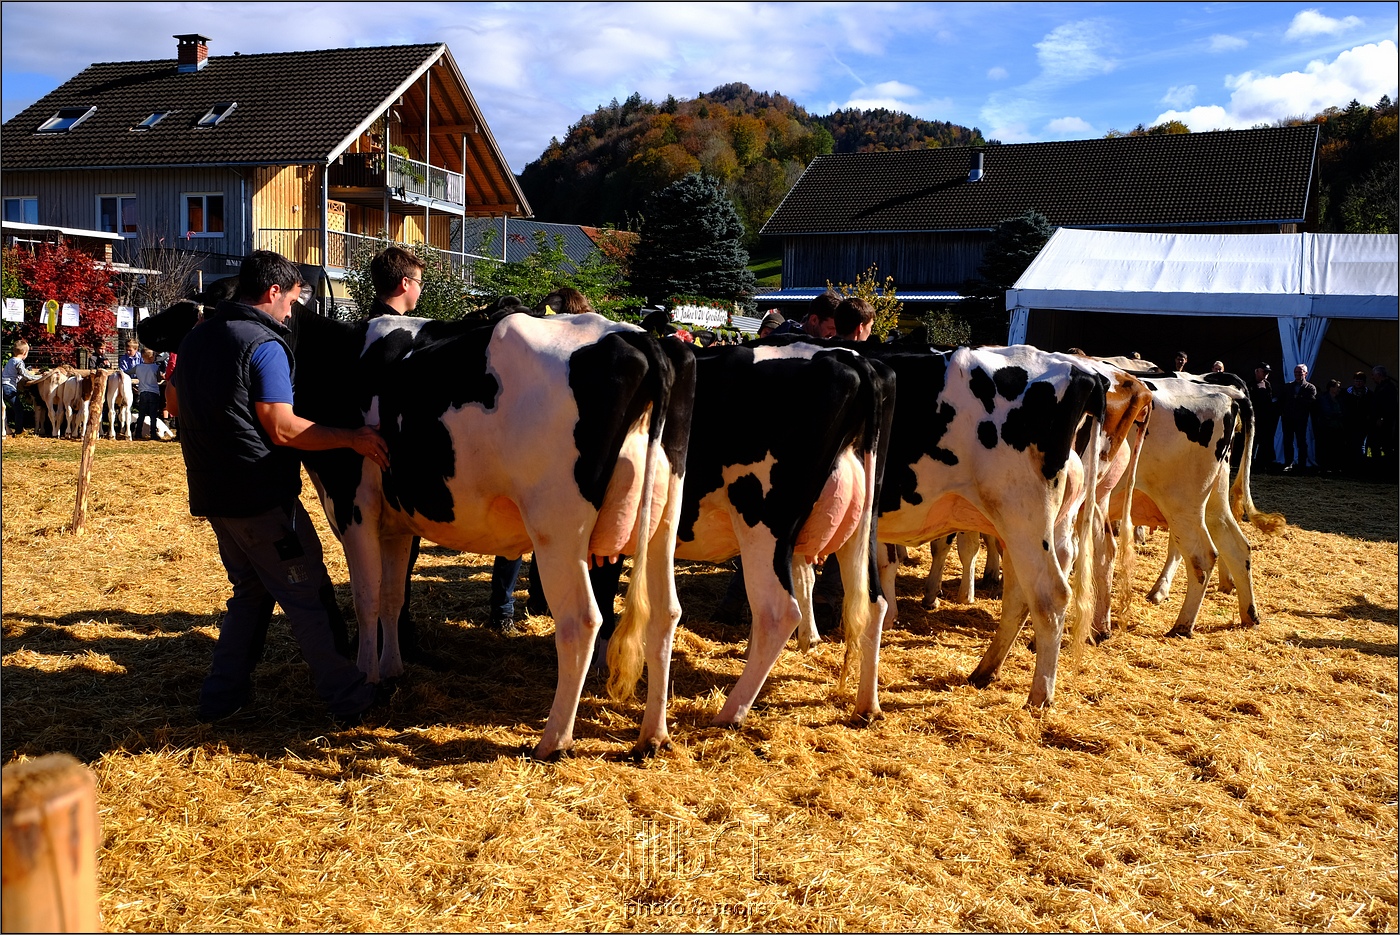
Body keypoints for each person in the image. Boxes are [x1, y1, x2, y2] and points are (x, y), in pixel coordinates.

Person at [171, 249, 391, 725]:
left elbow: (173, 402)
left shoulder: (197, 338)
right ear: (273, 292)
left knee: (250, 594)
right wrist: (352, 438)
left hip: (213, 495)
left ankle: (221, 699)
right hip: (261, 497)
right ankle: (350, 698)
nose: (292, 312)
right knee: (308, 593)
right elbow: (283, 427)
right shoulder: (264, 344)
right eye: (292, 300)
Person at [1278, 363, 1317, 472]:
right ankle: (1288, 463)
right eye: (1296, 372)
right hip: (1288, 418)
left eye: (1300, 372)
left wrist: (1298, 399)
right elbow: (1281, 401)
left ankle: (1302, 465)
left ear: (1305, 373)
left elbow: (1311, 402)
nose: (1298, 374)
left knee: (1301, 442)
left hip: (1301, 419)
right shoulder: (1288, 386)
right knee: (1288, 441)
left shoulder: (1310, 387)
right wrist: (1283, 413)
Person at [3, 338, 42, 434]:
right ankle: (19, 431)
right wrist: (39, 377)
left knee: (4, 408)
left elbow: (16, 374)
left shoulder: (11, 360)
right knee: (19, 409)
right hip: (9, 387)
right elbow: (25, 375)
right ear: (25, 353)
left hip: (3, 386)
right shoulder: (19, 362)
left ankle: (7, 428)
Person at [129, 347, 164, 440]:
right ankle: (153, 433)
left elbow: (127, 372)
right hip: (154, 392)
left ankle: (138, 432)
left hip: (143, 392)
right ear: (152, 357)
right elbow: (159, 379)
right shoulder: (155, 367)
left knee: (141, 414)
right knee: (153, 415)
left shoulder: (138, 367)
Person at [772, 291, 839, 338]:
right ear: (814, 320)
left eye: (838, 329)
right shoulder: (784, 342)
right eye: (831, 328)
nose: (834, 334)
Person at [1370, 364, 1397, 478]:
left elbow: (1389, 406)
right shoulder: (1382, 387)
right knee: (1378, 445)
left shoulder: (1388, 388)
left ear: (1378, 375)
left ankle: (1386, 471)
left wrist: (1381, 418)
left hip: (1384, 422)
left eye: (1373, 375)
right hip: (1380, 420)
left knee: (1385, 445)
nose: (1372, 377)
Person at [1250, 363, 1278, 472]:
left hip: (1265, 419)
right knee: (1252, 441)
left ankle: (1261, 463)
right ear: (1257, 371)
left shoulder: (1268, 385)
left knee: (1264, 442)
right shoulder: (1250, 385)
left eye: (1268, 372)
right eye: (1264, 371)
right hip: (1254, 418)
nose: (1266, 374)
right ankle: (1250, 463)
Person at [1342, 371, 1371, 475]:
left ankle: (1359, 467)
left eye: (1360, 381)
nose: (1358, 383)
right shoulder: (1347, 393)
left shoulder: (1369, 394)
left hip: (1363, 424)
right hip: (1349, 423)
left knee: (1361, 445)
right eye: (1356, 381)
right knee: (1350, 444)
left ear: (1364, 382)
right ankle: (1349, 467)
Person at [1315, 379, 1346, 475]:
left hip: (1337, 427)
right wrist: (1338, 414)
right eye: (1337, 387)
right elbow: (1326, 412)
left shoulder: (1339, 399)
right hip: (1326, 427)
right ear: (1331, 388)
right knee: (1326, 447)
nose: (1339, 389)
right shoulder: (1324, 399)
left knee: (1336, 448)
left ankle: (1334, 466)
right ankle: (1324, 467)